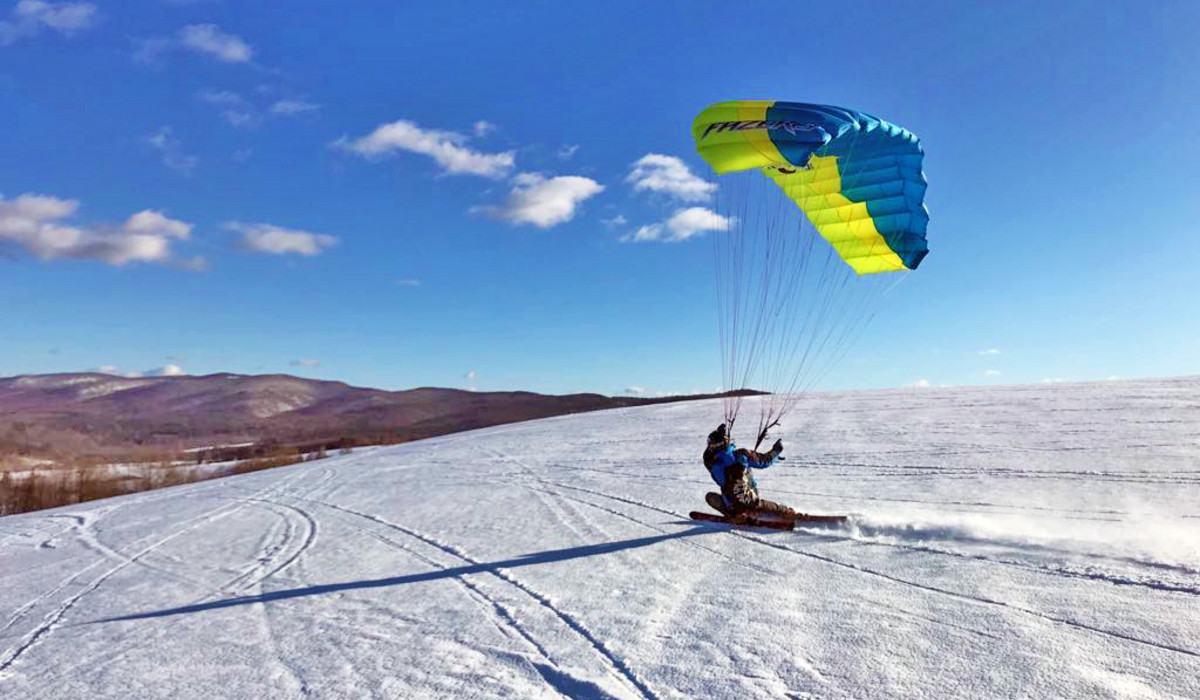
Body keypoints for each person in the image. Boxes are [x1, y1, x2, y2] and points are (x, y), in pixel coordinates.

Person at [702, 423, 799, 521]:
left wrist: (719, 436)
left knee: (710, 497)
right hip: (751, 499)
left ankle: (734, 514)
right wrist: (776, 451)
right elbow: (764, 461)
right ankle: (785, 511)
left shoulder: (714, 465)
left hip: (731, 503)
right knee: (756, 503)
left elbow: (709, 457)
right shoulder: (742, 456)